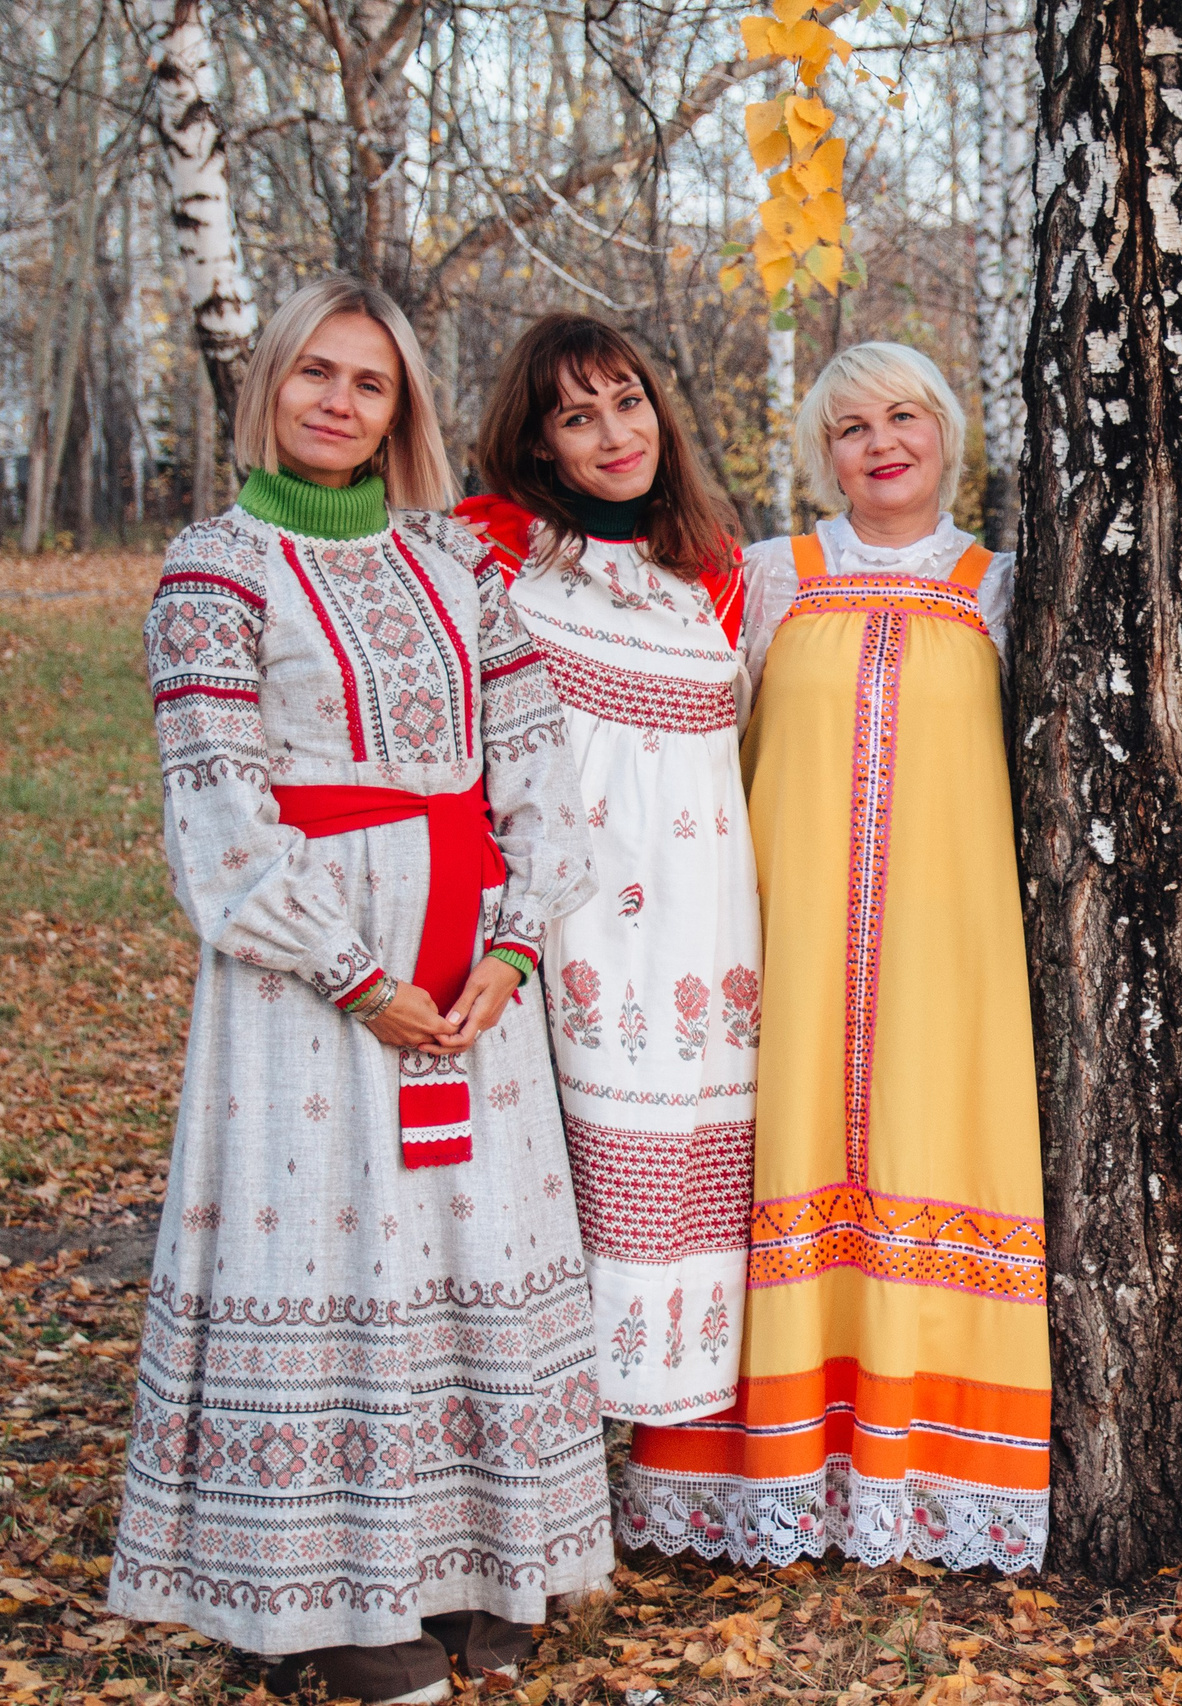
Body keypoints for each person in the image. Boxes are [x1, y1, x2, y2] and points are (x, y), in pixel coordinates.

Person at [110, 275, 604, 1703]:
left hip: (474, 980)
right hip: (311, 992)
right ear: (268, 385)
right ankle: (325, 1593)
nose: (338, 400)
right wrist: (358, 974)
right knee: (336, 1249)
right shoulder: (218, 565)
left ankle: (476, 1556)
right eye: (314, 373)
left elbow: (537, 769)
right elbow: (218, 805)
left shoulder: (455, 568)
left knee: (463, 1247)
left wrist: (509, 948)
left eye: (369, 382)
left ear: (402, 411)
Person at [615, 342, 1050, 1571]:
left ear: (948, 432)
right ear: (820, 450)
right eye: (851, 426)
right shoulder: (766, 580)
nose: (882, 443)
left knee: (933, 1152)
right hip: (785, 954)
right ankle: (765, 1468)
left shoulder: (999, 589)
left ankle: (928, 1469)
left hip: (948, 961)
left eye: (905, 415)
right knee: (778, 1158)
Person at [456, 313, 758, 1434]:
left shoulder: (716, 571)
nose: (614, 432)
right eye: (578, 417)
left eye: (626, 401)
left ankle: (645, 1427)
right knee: (532, 1177)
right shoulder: (483, 549)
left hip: (695, 932)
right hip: (548, 923)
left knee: (672, 1168)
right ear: (540, 445)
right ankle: (527, 1441)